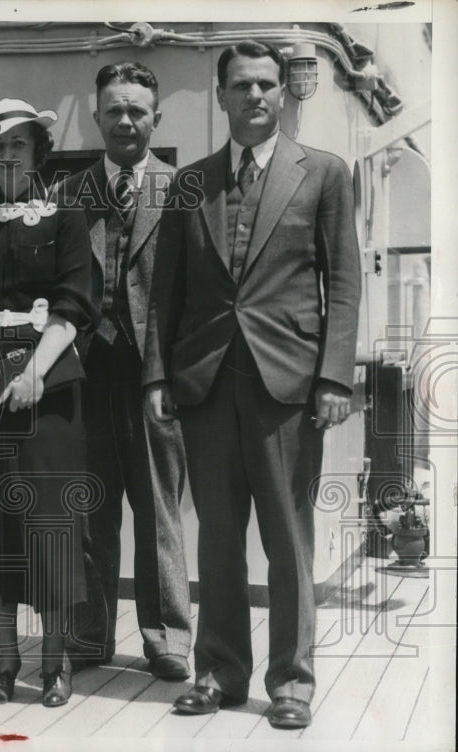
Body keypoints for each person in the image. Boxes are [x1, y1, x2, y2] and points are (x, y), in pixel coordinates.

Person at [143, 40, 361, 729]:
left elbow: (345, 284)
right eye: (243, 86)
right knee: (216, 538)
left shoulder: (323, 174)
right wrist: (157, 376)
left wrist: (333, 377)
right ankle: (219, 673)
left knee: (288, 539)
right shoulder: (191, 184)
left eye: (268, 84)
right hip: (206, 384)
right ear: (222, 95)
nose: (257, 95)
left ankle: (292, 682)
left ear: (282, 93)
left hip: (288, 388)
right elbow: (165, 292)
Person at [0, 98, 96, 708]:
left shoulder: (65, 218)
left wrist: (34, 370)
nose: (6, 156)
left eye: (17, 146)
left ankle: (54, 665)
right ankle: (5, 661)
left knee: (49, 524)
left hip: (47, 383)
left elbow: (74, 303)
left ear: (38, 153)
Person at [58, 62, 192, 679]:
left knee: (158, 509)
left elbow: (188, 295)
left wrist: (166, 372)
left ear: (155, 118)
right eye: (114, 109)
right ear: (96, 116)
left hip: (153, 378)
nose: (125, 121)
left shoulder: (183, 189)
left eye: (137, 110)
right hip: (88, 375)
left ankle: (167, 636)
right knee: (89, 509)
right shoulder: (69, 193)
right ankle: (89, 635)